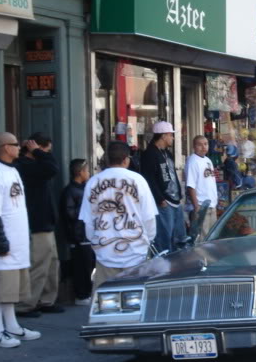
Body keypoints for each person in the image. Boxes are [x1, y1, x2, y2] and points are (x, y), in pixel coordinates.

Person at [79, 141, 158, 290]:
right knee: (136, 297)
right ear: (126, 159)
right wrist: (147, 242)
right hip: (136, 254)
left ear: (107, 159)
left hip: (105, 254)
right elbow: (149, 219)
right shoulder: (138, 180)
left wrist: (97, 244)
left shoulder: (92, 182)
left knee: (104, 297)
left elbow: (88, 224)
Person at [0, 132, 41, 348]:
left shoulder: (12, 170)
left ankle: (12, 325)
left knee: (10, 291)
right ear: (5, 147)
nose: (19, 148)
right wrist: (0, 242)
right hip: (4, 247)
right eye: (15, 144)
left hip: (17, 244)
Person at [15, 132, 63, 317]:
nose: (48, 154)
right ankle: (26, 304)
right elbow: (52, 168)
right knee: (38, 265)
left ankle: (46, 300)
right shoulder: (23, 165)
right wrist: (37, 152)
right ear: (35, 147)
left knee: (52, 264)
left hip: (46, 221)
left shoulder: (36, 164)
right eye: (46, 150)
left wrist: (39, 153)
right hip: (36, 222)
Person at [140, 121, 185, 254]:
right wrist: (160, 199)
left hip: (175, 201)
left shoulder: (167, 153)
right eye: (170, 135)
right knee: (164, 237)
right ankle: (164, 263)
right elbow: (149, 179)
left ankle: (177, 261)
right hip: (164, 202)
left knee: (178, 236)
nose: (172, 138)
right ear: (163, 136)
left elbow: (172, 174)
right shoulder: (149, 154)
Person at [60, 159, 95, 306]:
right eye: (86, 170)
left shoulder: (85, 189)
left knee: (89, 265)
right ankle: (81, 295)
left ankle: (88, 292)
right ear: (80, 172)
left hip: (88, 233)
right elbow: (70, 214)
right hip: (79, 235)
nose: (89, 173)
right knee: (81, 266)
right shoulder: (70, 191)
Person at [184, 135, 218, 238]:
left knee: (212, 238)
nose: (203, 147)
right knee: (202, 239)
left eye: (205, 144)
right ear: (194, 146)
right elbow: (190, 186)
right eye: (200, 145)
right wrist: (196, 207)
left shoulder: (208, 160)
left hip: (211, 205)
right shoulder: (192, 161)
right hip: (201, 206)